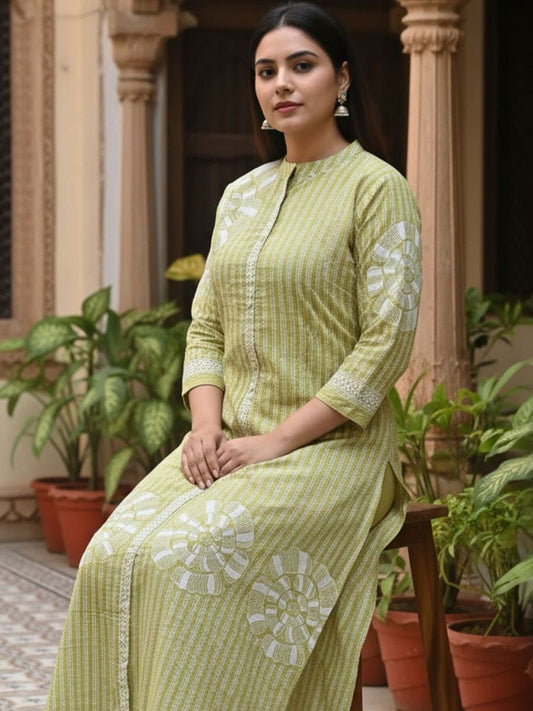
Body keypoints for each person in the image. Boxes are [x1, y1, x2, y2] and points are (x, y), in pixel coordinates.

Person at [46, 2, 422, 709]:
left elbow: (384, 345)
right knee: (111, 553)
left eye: (301, 65)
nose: (282, 83)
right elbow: (207, 328)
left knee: (186, 558)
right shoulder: (240, 197)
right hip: (228, 443)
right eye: (265, 70)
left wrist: (274, 442)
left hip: (334, 451)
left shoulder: (378, 190)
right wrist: (205, 427)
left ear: (341, 78)